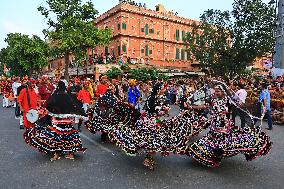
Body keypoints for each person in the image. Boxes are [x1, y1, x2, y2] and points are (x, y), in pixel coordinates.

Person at [23, 81, 87, 161]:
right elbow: (75, 106)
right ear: (64, 87)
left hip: (57, 121)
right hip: (67, 121)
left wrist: (52, 110)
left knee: (55, 137)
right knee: (69, 136)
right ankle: (70, 154)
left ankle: (56, 154)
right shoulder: (67, 96)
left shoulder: (54, 96)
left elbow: (48, 106)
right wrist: (83, 114)